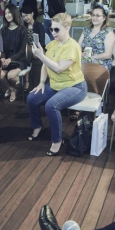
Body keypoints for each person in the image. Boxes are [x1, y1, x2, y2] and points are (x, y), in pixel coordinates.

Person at [27, 13, 87, 156]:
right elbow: (45, 65)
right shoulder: (53, 44)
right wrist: (42, 82)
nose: (53, 32)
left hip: (75, 87)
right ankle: (37, 126)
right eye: (51, 29)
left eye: (56, 29)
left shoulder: (72, 47)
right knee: (31, 99)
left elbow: (59, 68)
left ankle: (57, 140)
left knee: (51, 105)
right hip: (55, 85)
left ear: (67, 28)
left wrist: (41, 55)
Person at [0, 4, 29, 102]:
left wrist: (10, 59)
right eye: (5, 13)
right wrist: (3, 58)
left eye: (9, 13)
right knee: (0, 75)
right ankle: (12, 89)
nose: (7, 15)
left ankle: (14, 88)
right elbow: (2, 48)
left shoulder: (22, 30)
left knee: (10, 76)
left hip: (19, 60)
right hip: (7, 60)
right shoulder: (3, 30)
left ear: (14, 13)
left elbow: (22, 50)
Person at [78, 5, 115, 71]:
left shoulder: (108, 32)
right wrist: (81, 54)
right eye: (93, 15)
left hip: (101, 62)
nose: (94, 17)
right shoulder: (86, 30)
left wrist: (91, 58)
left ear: (104, 18)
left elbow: (108, 55)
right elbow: (77, 46)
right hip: (85, 59)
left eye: (98, 16)